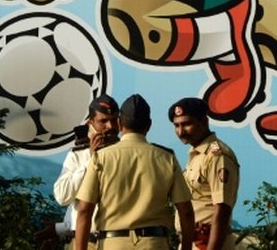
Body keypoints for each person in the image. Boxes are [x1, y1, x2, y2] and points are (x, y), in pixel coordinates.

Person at [74, 95, 194, 250]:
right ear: (149, 125)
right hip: (154, 244)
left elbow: (84, 210)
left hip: (112, 244)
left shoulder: (101, 157)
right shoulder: (166, 157)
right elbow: (186, 211)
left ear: (119, 123)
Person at [169, 98, 239, 250]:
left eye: (187, 124)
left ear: (204, 121)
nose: (181, 132)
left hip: (210, 244)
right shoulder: (197, 155)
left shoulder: (216, 155)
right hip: (192, 243)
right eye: (177, 125)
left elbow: (222, 210)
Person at [51, 95, 120, 247]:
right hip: (83, 242)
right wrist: (91, 160)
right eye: (103, 121)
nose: (110, 126)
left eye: (114, 120)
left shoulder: (126, 154)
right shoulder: (79, 153)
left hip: (116, 241)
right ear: (91, 123)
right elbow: (62, 197)